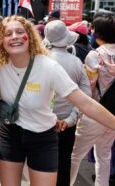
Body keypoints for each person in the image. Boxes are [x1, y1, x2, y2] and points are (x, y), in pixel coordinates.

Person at [0, 15, 115, 186]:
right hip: (10, 135)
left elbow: (86, 103)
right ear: (0, 40)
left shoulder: (49, 66)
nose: (15, 36)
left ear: (30, 36)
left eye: (20, 32)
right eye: (8, 33)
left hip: (43, 138)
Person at [70, 13, 115, 186]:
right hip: (114, 114)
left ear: (98, 33)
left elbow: (89, 87)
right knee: (104, 155)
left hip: (95, 112)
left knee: (75, 155)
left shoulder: (94, 56)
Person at [44, 20, 91, 186]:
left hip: (41, 124)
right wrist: (71, 119)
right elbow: (86, 95)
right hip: (66, 124)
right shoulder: (76, 62)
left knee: (40, 168)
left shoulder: (39, 60)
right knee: (64, 166)